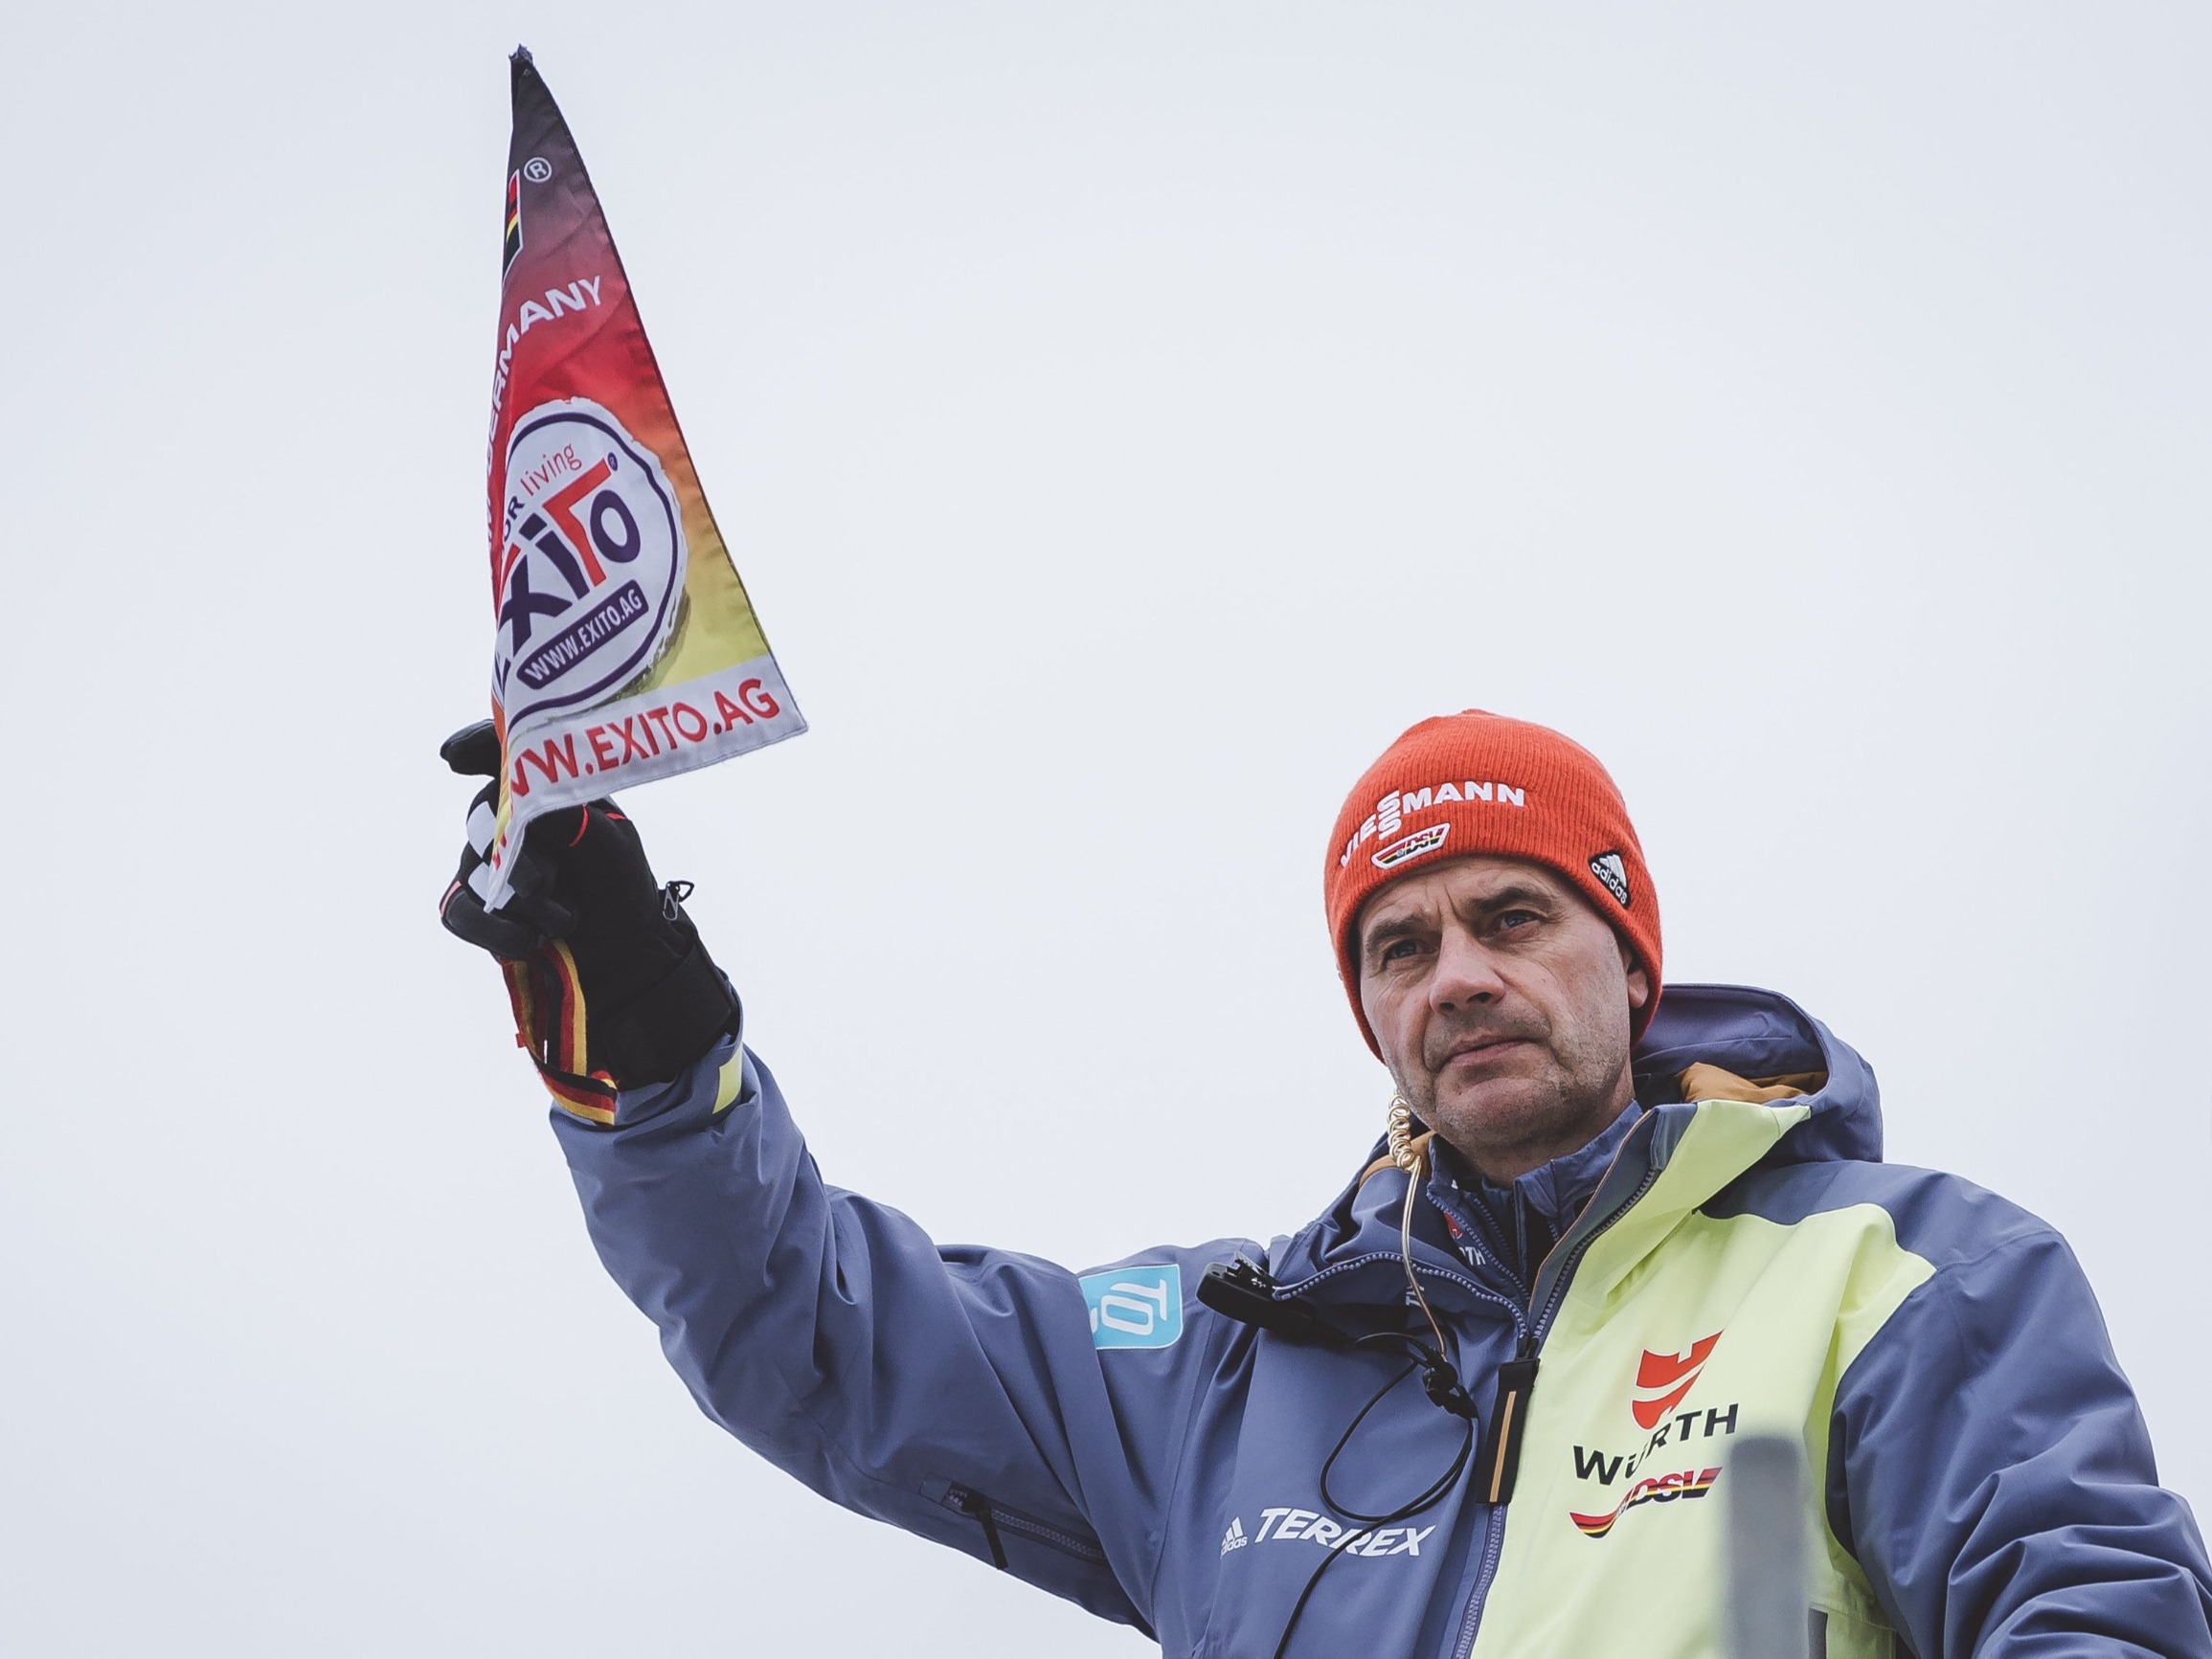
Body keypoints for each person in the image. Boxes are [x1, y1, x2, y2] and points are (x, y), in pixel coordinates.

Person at [440, 709, 2212, 1657]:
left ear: (1627, 957)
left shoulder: (1892, 1268)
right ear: (1364, 1005)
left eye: (1513, 915)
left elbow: (2091, 1603)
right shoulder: (1218, 1361)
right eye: (1397, 944)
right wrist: (655, 1051)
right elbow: (808, 1329)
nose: (1454, 974)